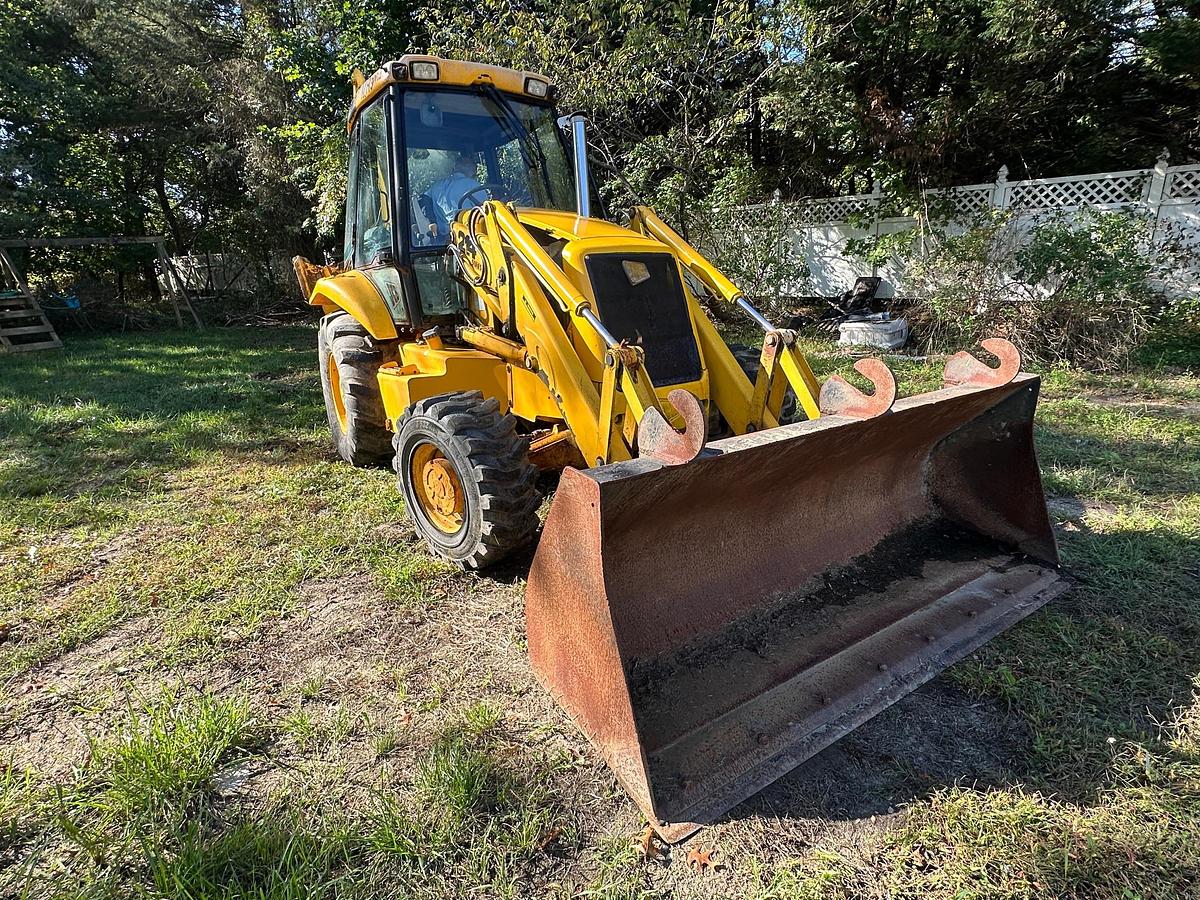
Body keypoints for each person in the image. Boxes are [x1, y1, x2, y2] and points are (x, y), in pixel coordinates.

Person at [424, 153, 484, 238]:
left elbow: (424, 199)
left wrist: (431, 221)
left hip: (445, 237)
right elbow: (486, 211)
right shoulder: (473, 185)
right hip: (472, 237)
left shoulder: (436, 186)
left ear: (455, 168)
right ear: (472, 170)